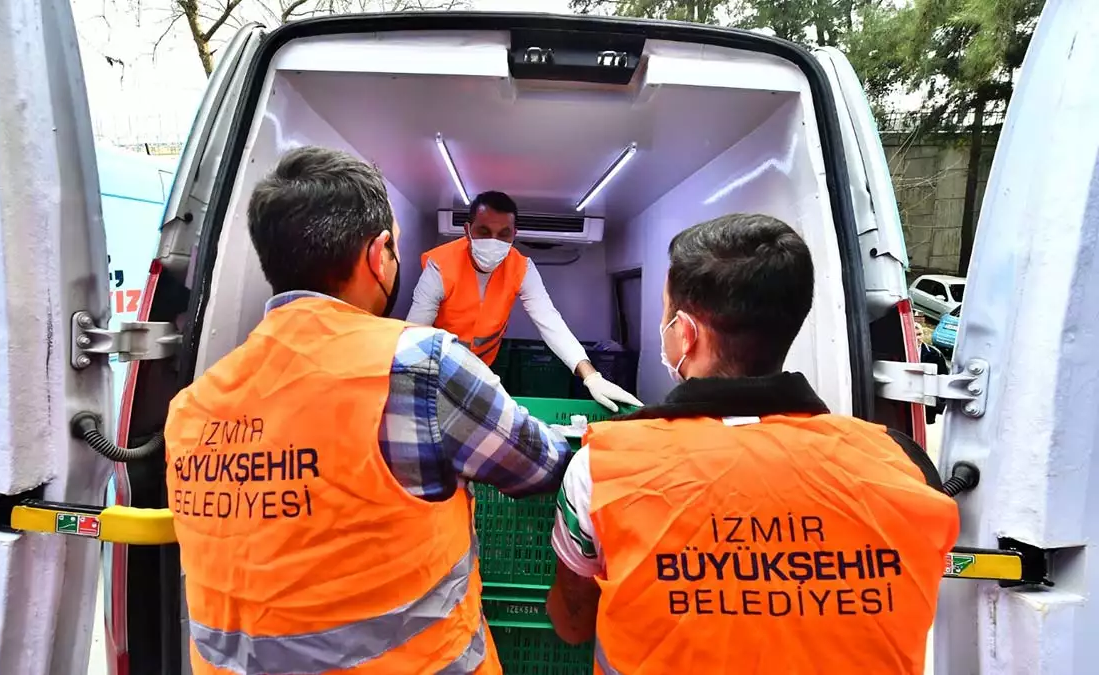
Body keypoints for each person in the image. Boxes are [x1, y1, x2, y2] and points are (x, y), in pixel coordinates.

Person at [164, 147, 572, 675]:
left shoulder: (193, 407)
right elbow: (538, 464)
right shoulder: (421, 366)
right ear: (380, 255)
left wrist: (585, 370)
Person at [546, 213, 959, 674]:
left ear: (684, 333)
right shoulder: (904, 463)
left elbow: (572, 622)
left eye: (664, 313)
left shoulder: (602, 467)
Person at [408, 191, 642, 412]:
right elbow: (415, 333)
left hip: (482, 368)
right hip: (437, 365)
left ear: (514, 234)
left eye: (503, 234)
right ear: (468, 230)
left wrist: (591, 376)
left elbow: (549, 321)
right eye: (484, 231)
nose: (494, 241)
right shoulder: (439, 266)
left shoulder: (521, 268)